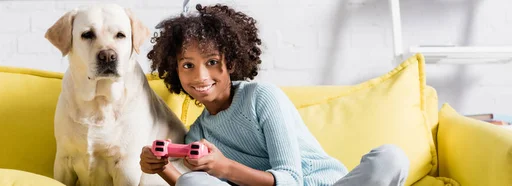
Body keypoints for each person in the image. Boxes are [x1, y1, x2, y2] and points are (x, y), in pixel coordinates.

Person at [139, 3, 410, 186]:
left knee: (391, 158)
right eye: (188, 65)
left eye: (211, 62)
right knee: (191, 180)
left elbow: (290, 180)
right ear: (175, 71)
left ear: (230, 63)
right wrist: (162, 167)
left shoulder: (261, 97)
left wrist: (224, 167)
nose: (200, 76)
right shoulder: (198, 136)